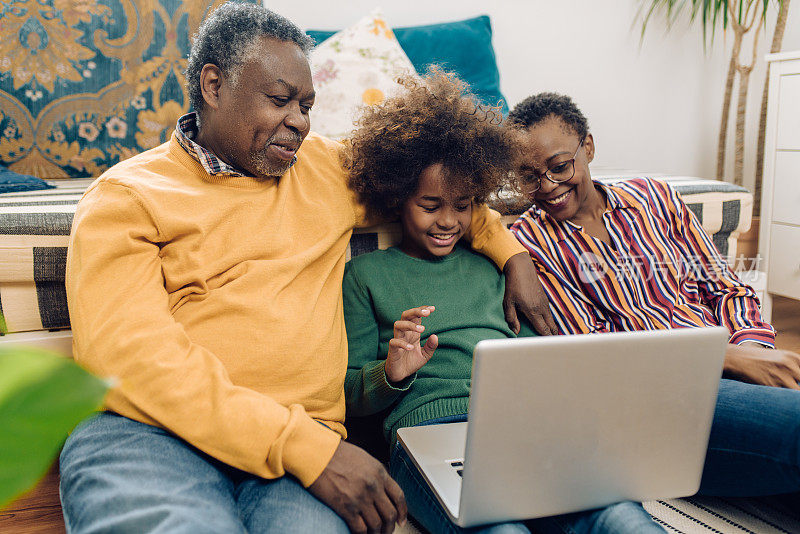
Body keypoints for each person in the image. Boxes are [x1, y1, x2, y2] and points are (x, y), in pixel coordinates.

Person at [58, 3, 557, 533]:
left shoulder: (324, 168)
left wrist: (512, 254)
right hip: (155, 435)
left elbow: (440, 196)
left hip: (305, 446)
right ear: (213, 84)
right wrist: (303, 447)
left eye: (306, 104)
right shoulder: (125, 197)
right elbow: (130, 357)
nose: (298, 121)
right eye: (280, 100)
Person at [343, 72, 668, 534]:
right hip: (425, 439)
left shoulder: (491, 266)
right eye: (430, 205)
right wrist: (392, 371)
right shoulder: (366, 276)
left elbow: (539, 357)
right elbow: (349, 395)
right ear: (398, 198)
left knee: (618, 514)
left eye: (463, 204)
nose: (448, 221)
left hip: (520, 429)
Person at [508, 92, 800, 521]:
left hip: (733, 374)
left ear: (587, 148)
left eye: (559, 166)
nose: (548, 186)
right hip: (657, 411)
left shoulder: (655, 198)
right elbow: (604, 358)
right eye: (529, 177)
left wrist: (757, 353)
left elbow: (725, 289)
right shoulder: (528, 245)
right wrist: (730, 359)